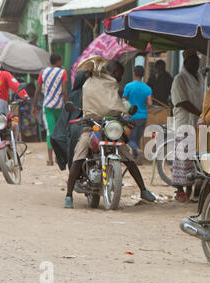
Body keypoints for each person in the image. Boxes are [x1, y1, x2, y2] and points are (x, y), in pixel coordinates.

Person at [64, 60, 155, 208]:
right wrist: (86, 116)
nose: (120, 77)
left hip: (110, 128)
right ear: (111, 72)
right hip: (92, 127)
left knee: (128, 156)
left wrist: (125, 119)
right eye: (119, 74)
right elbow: (88, 106)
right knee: (79, 156)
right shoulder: (90, 85)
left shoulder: (113, 88)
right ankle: (68, 195)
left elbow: (116, 107)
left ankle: (143, 190)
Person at [170, 49, 204, 202]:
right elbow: (182, 101)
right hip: (184, 122)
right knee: (182, 157)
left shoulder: (200, 78)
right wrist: (200, 112)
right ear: (186, 63)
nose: (196, 65)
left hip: (197, 122)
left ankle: (190, 190)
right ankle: (179, 190)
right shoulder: (179, 79)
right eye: (193, 62)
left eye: (197, 62)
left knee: (193, 157)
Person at [32, 53, 68, 166]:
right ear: (58, 61)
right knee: (59, 132)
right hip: (59, 106)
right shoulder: (62, 72)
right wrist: (67, 104)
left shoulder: (43, 72)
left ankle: (50, 159)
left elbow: (38, 90)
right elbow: (64, 90)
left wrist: (34, 105)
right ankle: (59, 157)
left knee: (50, 132)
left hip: (47, 106)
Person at [123, 65, 153, 165]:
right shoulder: (147, 88)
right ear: (143, 75)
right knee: (137, 138)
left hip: (131, 117)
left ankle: (137, 150)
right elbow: (150, 103)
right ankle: (136, 158)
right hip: (143, 116)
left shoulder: (128, 86)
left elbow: (124, 100)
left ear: (134, 73)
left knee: (129, 139)